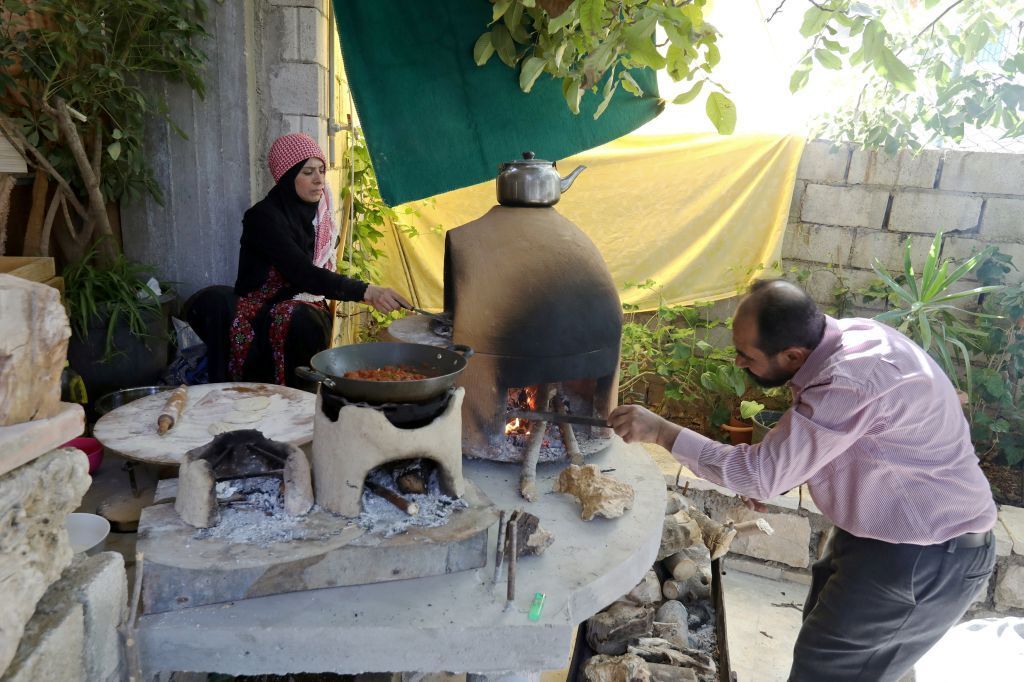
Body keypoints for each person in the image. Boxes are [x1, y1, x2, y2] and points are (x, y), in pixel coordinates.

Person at [609, 279, 997, 682]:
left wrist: (662, 432)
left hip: (924, 557)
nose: (738, 363)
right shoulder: (848, 341)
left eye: (746, 355)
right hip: (886, 538)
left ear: (794, 355)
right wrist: (779, 472)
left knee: (826, 669)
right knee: (834, 657)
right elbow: (831, 442)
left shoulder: (849, 376)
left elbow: (762, 475)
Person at [191, 133, 408, 389]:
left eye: (321, 170)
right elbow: (302, 272)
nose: (318, 180)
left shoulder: (321, 213)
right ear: (286, 176)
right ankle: (249, 398)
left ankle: (299, 401)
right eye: (307, 172)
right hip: (260, 304)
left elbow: (309, 280)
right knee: (225, 304)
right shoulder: (263, 218)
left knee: (301, 319)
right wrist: (367, 292)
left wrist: (365, 293)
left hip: (302, 300)